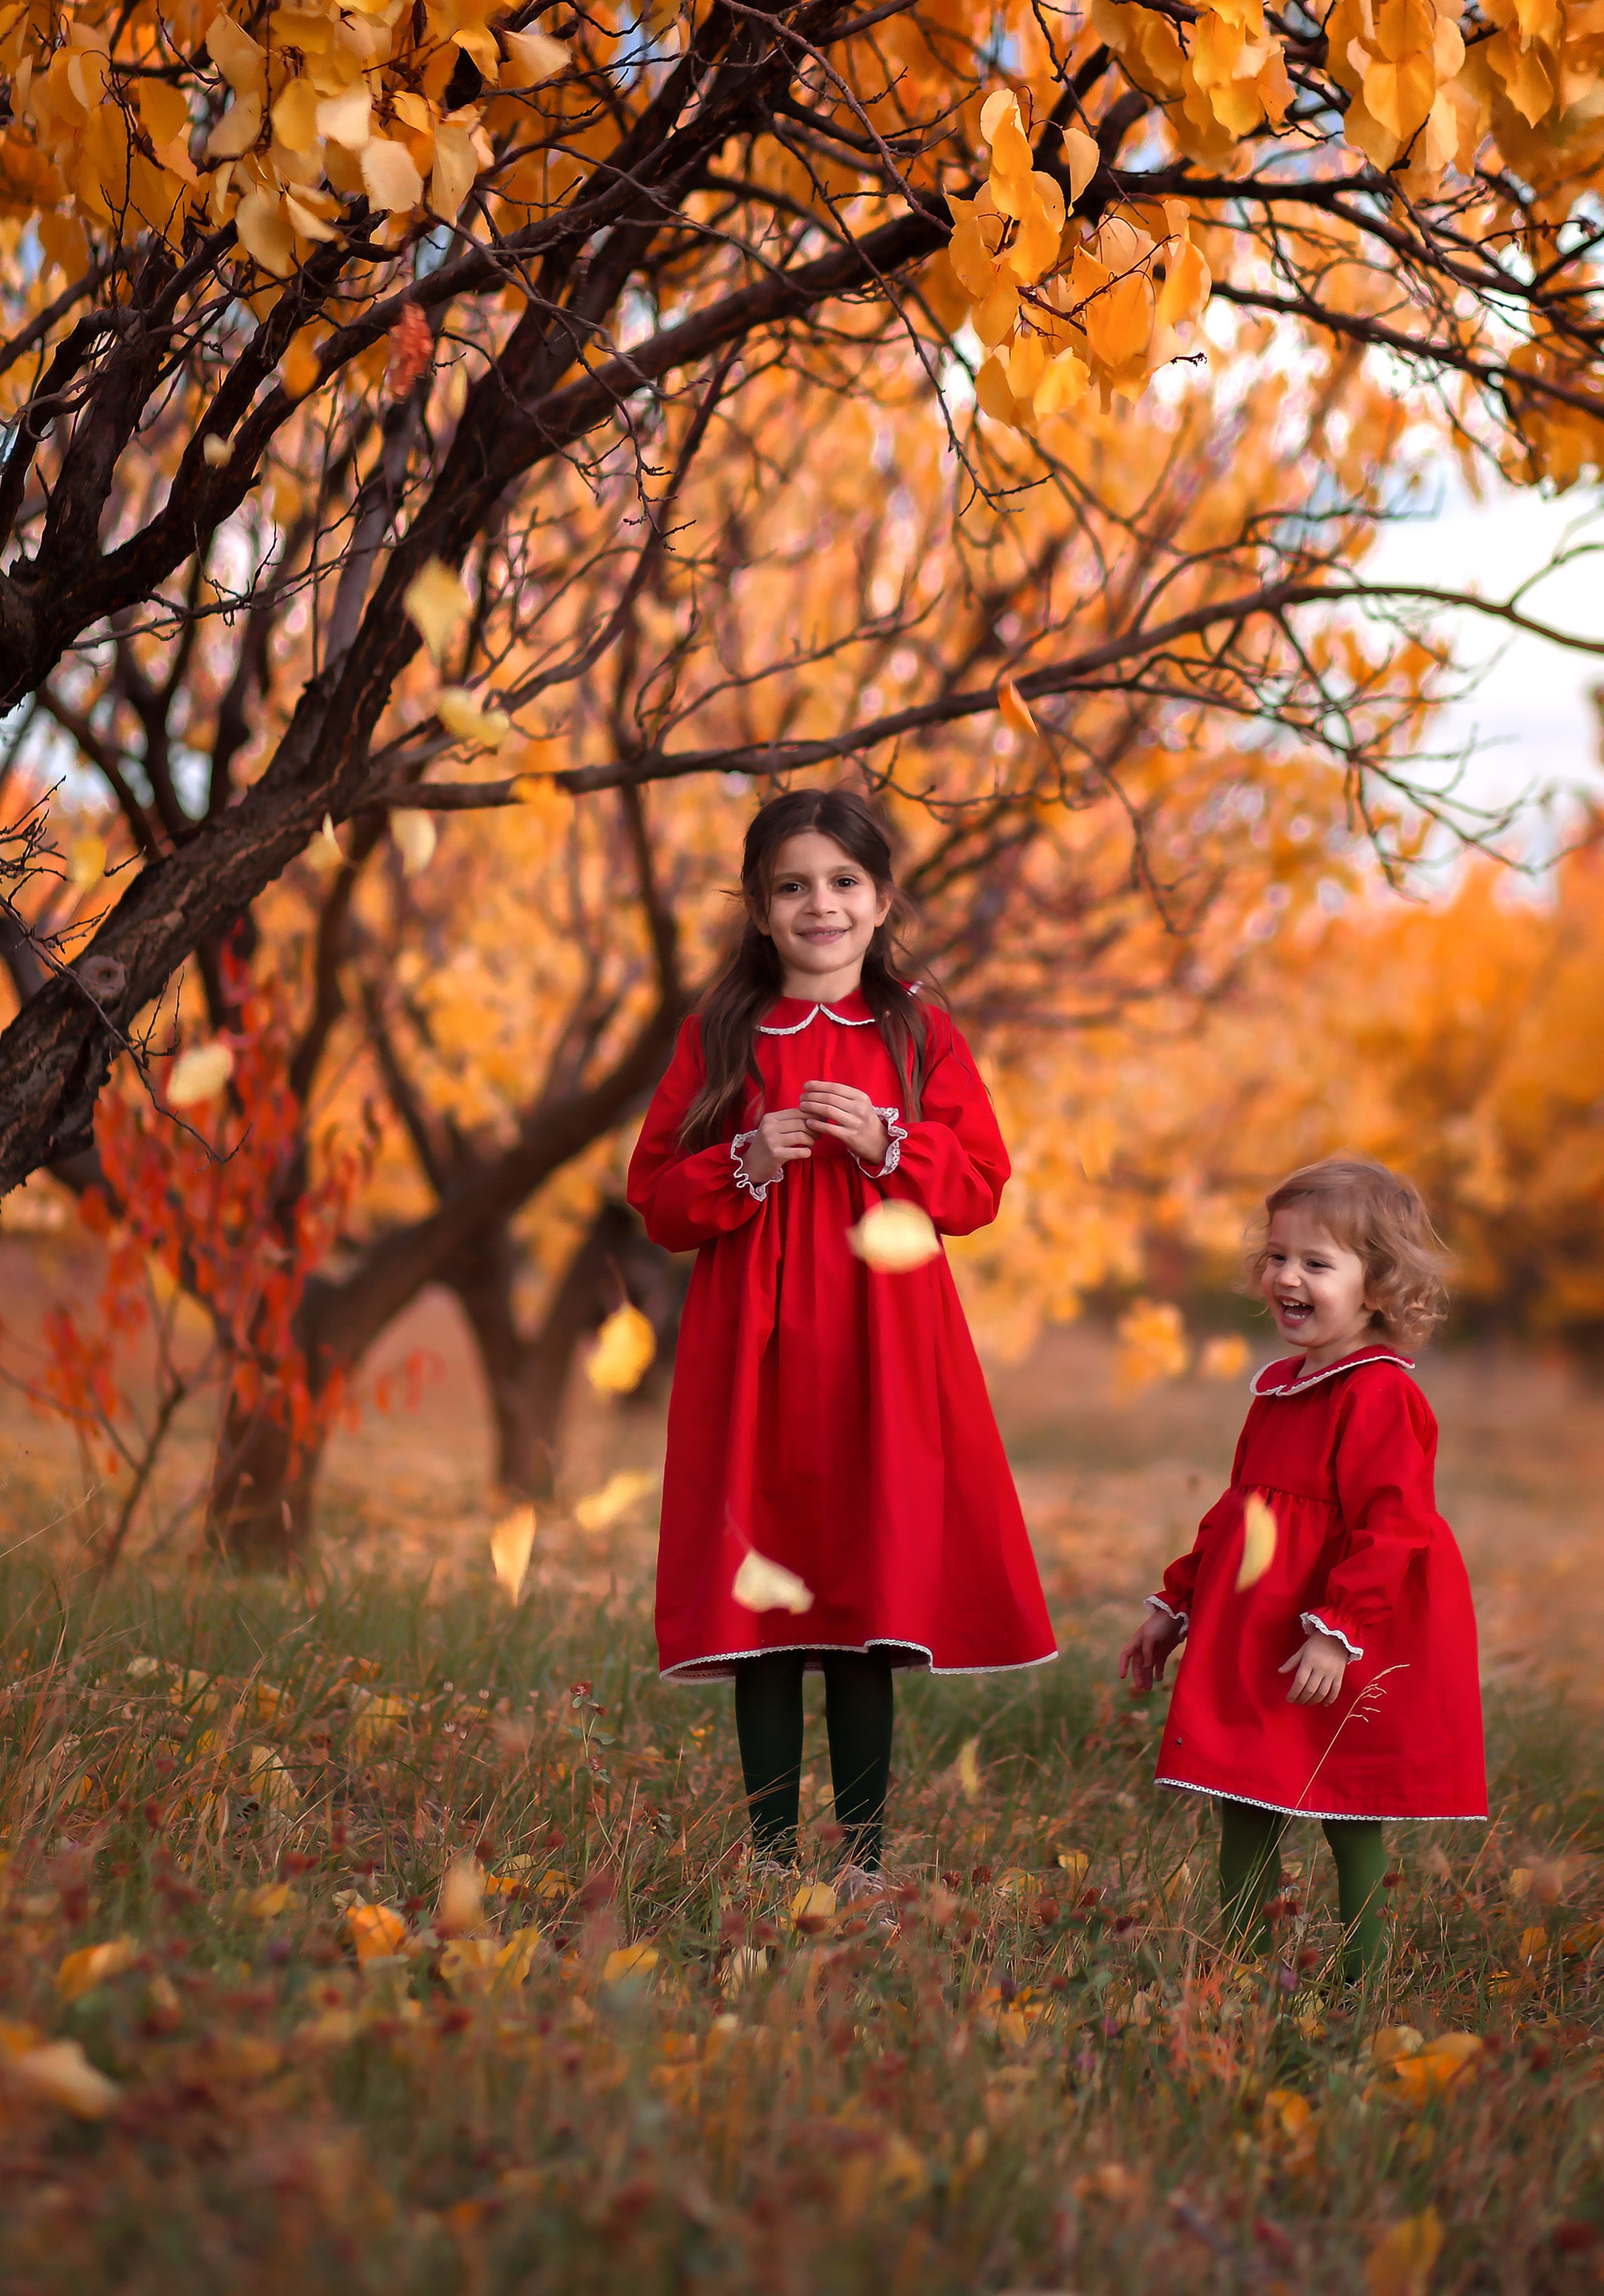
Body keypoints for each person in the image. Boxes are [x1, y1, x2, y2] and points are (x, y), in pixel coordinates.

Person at [628, 787, 1055, 1885]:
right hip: (754, 1350)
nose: (821, 904)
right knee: (768, 1594)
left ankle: (860, 1860)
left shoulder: (917, 1031)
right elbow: (657, 1196)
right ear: (761, 911)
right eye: (793, 886)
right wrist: (747, 1161)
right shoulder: (721, 1030)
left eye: (843, 882)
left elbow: (979, 1189)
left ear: (881, 900)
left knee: (868, 1592)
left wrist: (886, 1142)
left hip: (884, 1342)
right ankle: (773, 1857)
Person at [1120, 1156, 1486, 1981]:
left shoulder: (1379, 1395)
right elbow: (1237, 1510)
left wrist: (1340, 1631)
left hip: (1331, 1639)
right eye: (1278, 1256)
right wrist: (1175, 1606)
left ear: (1378, 1286)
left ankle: (1360, 1978)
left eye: (1317, 1263)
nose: (1288, 1276)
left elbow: (1394, 1528)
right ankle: (1239, 1966)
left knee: (1346, 1805)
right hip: (1260, 1630)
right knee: (1245, 1793)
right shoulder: (1281, 1388)